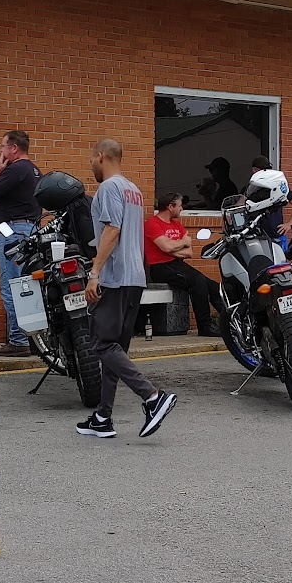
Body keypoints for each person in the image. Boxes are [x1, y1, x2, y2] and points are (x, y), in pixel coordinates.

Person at [75, 139, 177, 440]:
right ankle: (103, 417)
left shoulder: (108, 188)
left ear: (100, 157)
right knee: (114, 349)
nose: (91, 166)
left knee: (102, 344)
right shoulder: (134, 190)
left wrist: (94, 272)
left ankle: (152, 397)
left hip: (114, 278)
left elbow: (113, 229)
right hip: (134, 278)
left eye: (91, 160)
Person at [0, 129, 41, 357]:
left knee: (11, 287)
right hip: (30, 230)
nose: (1, 151)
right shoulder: (34, 170)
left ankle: (18, 340)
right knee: (28, 286)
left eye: (3, 147)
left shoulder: (15, 169)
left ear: (14, 148)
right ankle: (35, 340)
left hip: (13, 233)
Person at [144, 192, 221, 336]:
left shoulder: (177, 224)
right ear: (170, 206)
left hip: (177, 264)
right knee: (197, 281)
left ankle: (229, 321)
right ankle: (205, 326)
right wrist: (179, 244)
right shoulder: (152, 224)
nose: (182, 209)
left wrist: (171, 249)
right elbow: (167, 247)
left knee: (213, 286)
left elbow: (189, 252)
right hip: (160, 267)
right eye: (179, 206)